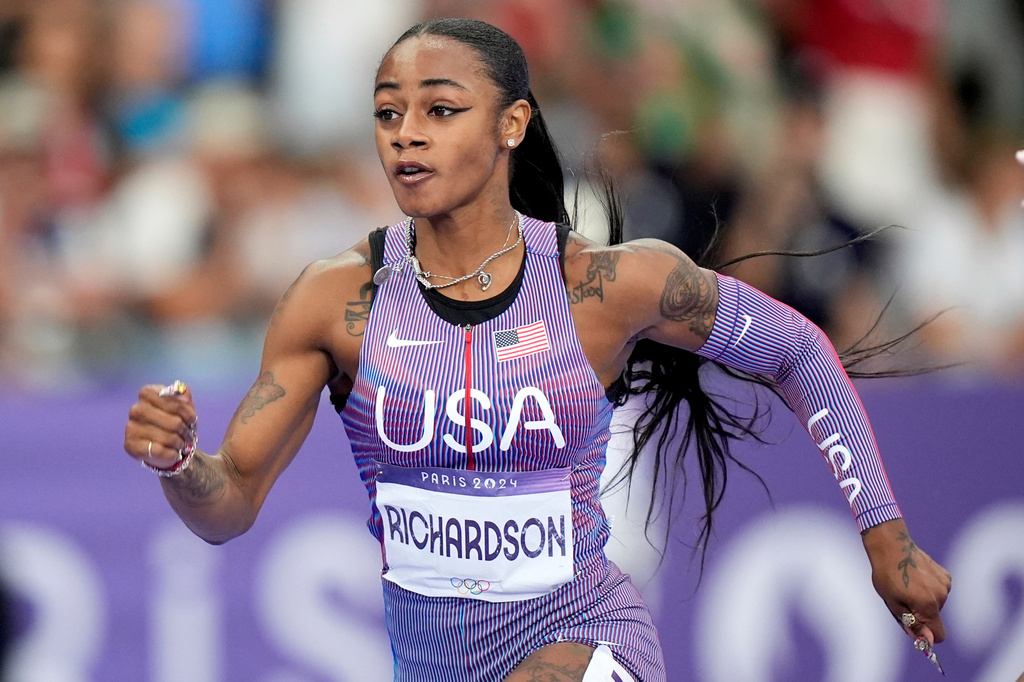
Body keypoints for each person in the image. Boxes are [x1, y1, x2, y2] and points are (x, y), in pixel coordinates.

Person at [123, 18, 952, 681]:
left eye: (440, 110)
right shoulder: (337, 301)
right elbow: (228, 506)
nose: (406, 135)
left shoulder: (603, 287)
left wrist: (887, 537)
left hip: (587, 639)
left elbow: (797, 350)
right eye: (387, 112)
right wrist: (179, 463)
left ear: (512, 122)